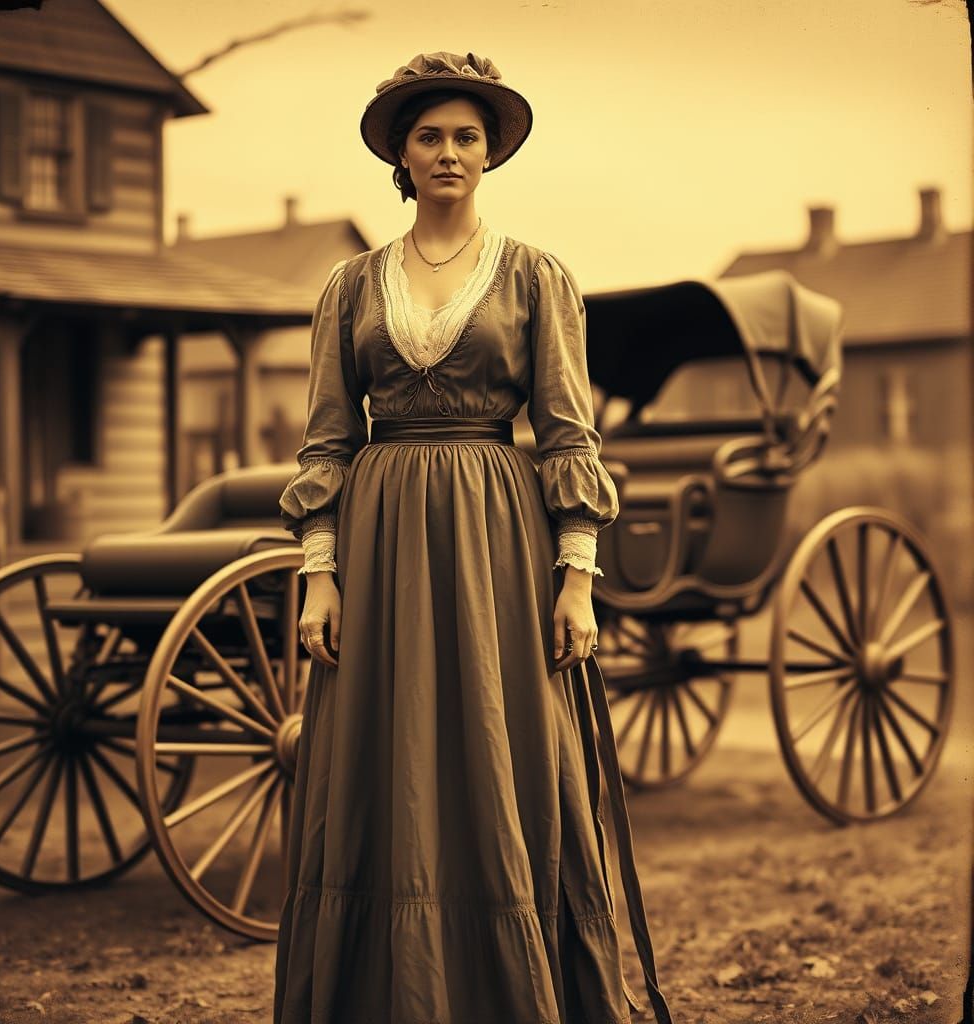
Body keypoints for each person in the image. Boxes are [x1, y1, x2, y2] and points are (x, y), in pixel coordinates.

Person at [273, 50, 674, 1024]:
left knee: (503, 745)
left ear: (490, 154)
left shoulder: (536, 277)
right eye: (429, 137)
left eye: (466, 136)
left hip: (498, 536)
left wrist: (576, 575)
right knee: (383, 757)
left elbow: (568, 434)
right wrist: (320, 573)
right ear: (401, 157)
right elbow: (327, 439)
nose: (448, 152)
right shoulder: (350, 285)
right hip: (379, 537)